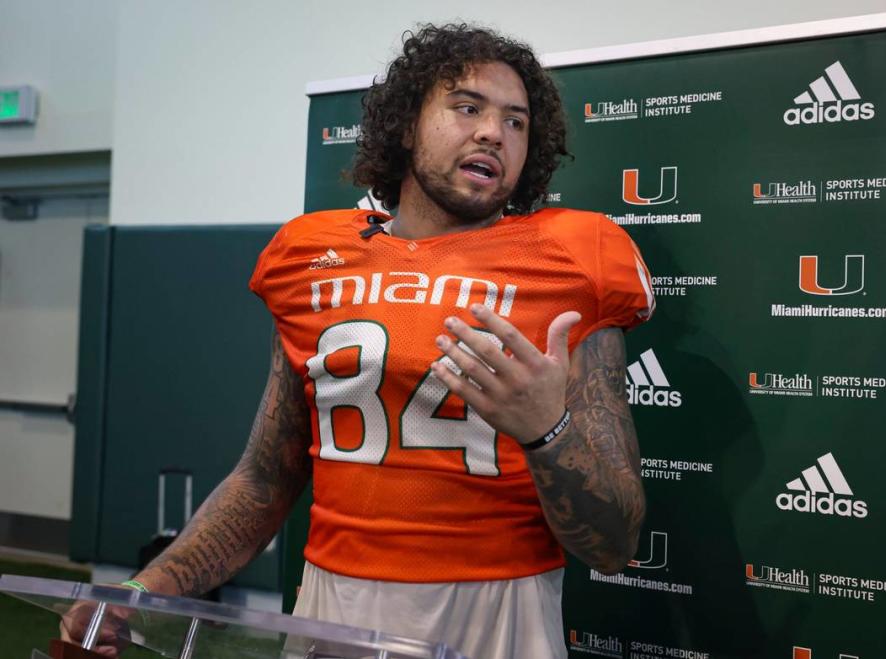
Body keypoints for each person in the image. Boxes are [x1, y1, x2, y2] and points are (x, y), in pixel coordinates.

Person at [62, 23, 654, 659]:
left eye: (517, 121)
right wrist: (143, 589)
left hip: (497, 609)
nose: (492, 132)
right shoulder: (311, 254)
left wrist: (547, 429)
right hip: (331, 602)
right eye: (466, 107)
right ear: (405, 124)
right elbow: (265, 479)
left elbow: (614, 543)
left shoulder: (572, 256)